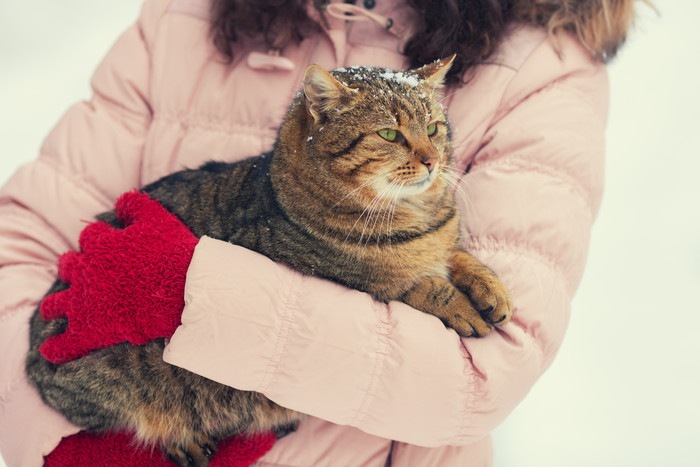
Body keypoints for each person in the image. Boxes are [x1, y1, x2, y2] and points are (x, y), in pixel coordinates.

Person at [0, 0, 641, 465]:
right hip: (128, 402)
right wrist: (58, 434)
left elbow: (484, 371)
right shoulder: (183, 17)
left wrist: (198, 297)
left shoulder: (541, 65)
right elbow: (20, 240)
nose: (425, 159)